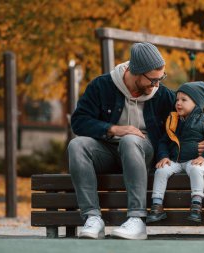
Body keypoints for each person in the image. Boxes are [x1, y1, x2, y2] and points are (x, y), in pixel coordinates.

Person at [68, 42, 175, 240]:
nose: (157, 85)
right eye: (152, 80)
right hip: (108, 151)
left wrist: (201, 143)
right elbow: (78, 121)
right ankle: (92, 218)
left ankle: (137, 219)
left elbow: (187, 122)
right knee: (77, 145)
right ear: (136, 72)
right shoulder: (102, 86)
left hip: (144, 152)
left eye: (161, 79)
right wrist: (112, 129)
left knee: (130, 141)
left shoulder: (163, 95)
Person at [146, 81, 204, 223]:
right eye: (177, 99)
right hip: (175, 161)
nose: (178, 103)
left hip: (193, 161)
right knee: (161, 170)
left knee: (196, 169)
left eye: (184, 100)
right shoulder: (173, 120)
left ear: (196, 103)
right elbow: (164, 141)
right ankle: (157, 205)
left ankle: (196, 204)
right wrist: (163, 156)